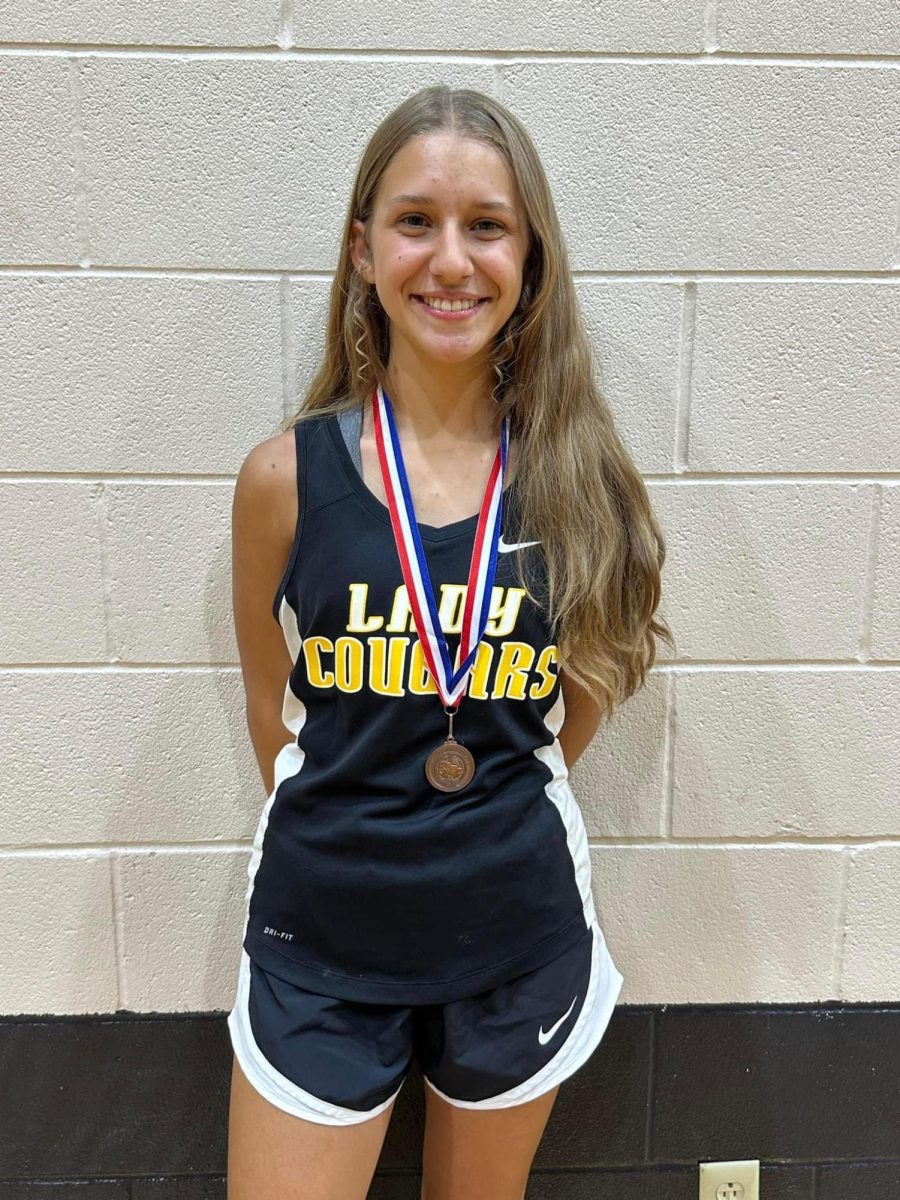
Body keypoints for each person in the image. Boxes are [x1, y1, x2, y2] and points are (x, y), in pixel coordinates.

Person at [225, 84, 674, 1200]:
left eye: (487, 225)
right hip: (322, 940)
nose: (451, 260)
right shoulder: (284, 480)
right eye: (416, 220)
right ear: (362, 248)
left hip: (512, 938)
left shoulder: (578, 481)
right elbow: (269, 711)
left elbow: (585, 696)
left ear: (529, 258)